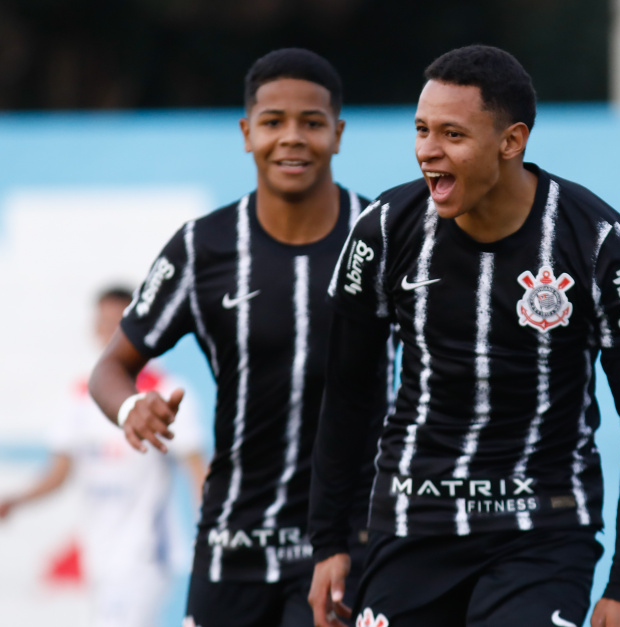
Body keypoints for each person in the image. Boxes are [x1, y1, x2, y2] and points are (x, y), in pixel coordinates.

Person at [308, 45, 620, 627]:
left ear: (512, 141)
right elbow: (348, 392)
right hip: (414, 524)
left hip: (542, 531)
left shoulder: (597, 242)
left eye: (452, 134)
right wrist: (328, 539)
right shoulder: (382, 230)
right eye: (422, 130)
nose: (429, 150)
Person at [89, 48, 391, 627]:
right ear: (247, 132)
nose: (292, 138)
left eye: (312, 122)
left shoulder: (382, 235)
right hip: (231, 546)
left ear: (338, 133)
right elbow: (112, 366)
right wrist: (131, 405)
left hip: (346, 546)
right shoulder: (203, 248)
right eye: (274, 121)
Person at [0, 286, 207, 627]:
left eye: (119, 323)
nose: (109, 331)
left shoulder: (166, 392)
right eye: (103, 322)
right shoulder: (80, 398)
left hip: (146, 554)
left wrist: (213, 531)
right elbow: (59, 473)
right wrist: (16, 500)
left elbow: (197, 471)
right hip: (99, 554)